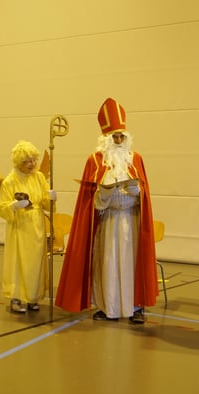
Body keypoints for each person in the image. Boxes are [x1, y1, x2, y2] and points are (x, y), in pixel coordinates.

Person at [55, 97, 158, 324]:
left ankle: (136, 307)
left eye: (122, 136)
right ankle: (107, 307)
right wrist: (104, 195)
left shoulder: (136, 159)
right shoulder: (95, 160)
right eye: (114, 137)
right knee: (108, 262)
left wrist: (137, 191)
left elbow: (145, 195)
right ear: (106, 139)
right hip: (108, 220)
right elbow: (88, 201)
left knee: (132, 263)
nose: (119, 140)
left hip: (131, 220)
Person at [0, 140, 56, 313]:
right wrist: (13, 206)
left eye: (34, 160)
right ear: (19, 162)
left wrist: (51, 199)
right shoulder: (9, 182)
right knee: (18, 261)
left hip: (37, 226)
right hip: (20, 227)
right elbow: (1, 208)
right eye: (27, 161)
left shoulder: (39, 177)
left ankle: (33, 297)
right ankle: (16, 298)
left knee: (35, 264)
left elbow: (45, 203)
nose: (32, 164)